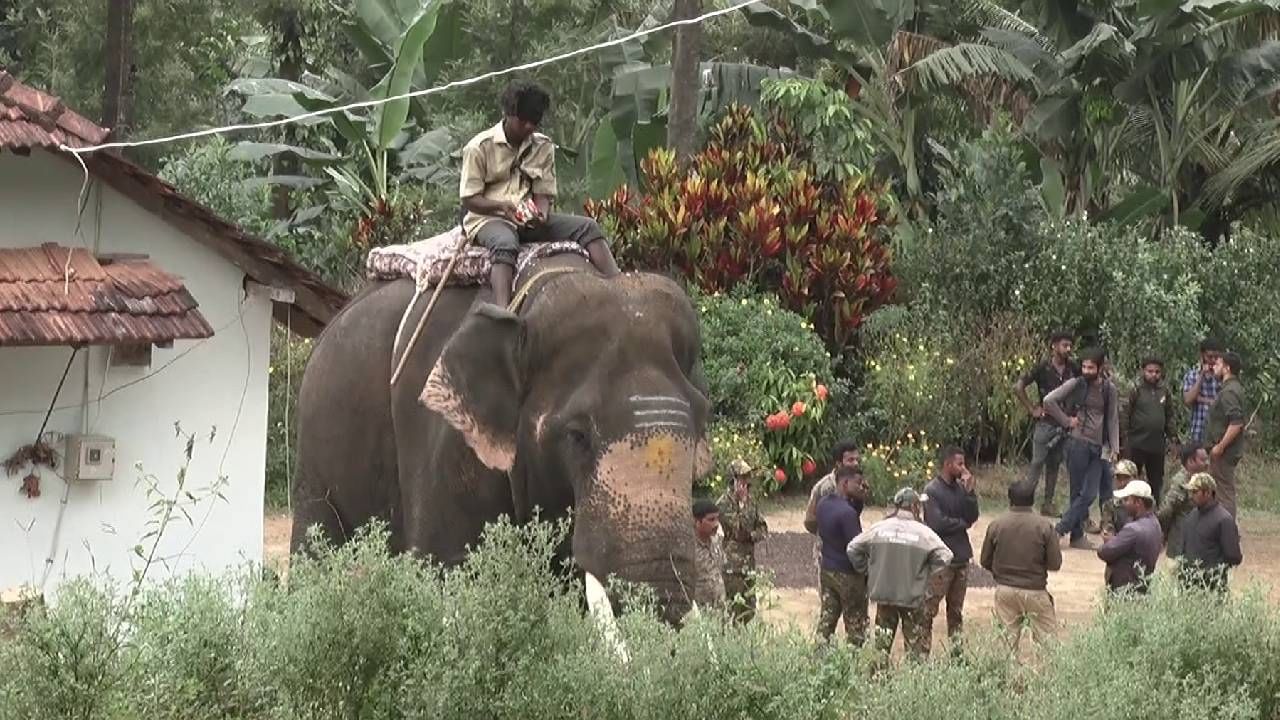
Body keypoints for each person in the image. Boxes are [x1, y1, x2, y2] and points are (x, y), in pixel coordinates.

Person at [459, 80, 621, 307]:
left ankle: (621, 288)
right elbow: (470, 198)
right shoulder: (479, 147)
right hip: (489, 218)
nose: (528, 127)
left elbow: (543, 193)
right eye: (523, 121)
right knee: (506, 243)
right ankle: (502, 310)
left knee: (588, 227)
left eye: (533, 122)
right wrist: (502, 208)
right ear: (509, 114)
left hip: (528, 218)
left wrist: (541, 214)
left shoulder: (543, 146)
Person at [848, 487, 953, 660]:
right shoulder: (924, 533)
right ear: (913, 507)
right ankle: (913, 683)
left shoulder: (879, 528)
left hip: (884, 595)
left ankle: (877, 680)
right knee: (916, 651)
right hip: (913, 597)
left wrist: (867, 571)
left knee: (881, 647)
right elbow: (946, 556)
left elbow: (852, 548)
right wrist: (925, 572)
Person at [1043, 348, 1121, 550]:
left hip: (1098, 447)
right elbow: (1048, 401)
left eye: (1091, 367)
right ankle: (1075, 536)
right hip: (1077, 443)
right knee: (1076, 492)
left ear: (1100, 367)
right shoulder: (1076, 384)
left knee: (1089, 494)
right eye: (1084, 366)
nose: (1087, 371)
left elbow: (1112, 419)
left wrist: (1115, 447)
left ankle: (1059, 530)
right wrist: (1066, 420)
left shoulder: (1109, 389)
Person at [980, 481, 1063, 650]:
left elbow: (984, 561)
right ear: (1033, 501)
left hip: (1005, 591)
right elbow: (1055, 564)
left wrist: (1001, 573)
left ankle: (1003, 676)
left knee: (1004, 646)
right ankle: (1047, 676)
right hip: (1035, 591)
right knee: (1049, 646)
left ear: (1009, 500)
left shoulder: (996, 525)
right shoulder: (1044, 526)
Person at [1014, 330, 1079, 516]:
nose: (1068, 349)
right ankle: (1023, 503)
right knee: (1036, 464)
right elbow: (1018, 386)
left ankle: (1048, 505)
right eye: (1064, 345)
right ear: (1054, 346)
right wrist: (1031, 408)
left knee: (1054, 465)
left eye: (1069, 346)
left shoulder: (1073, 368)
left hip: (1064, 424)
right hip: (1045, 423)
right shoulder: (1042, 367)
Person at [923, 446, 979, 646]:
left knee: (956, 611)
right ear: (947, 464)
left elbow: (973, 516)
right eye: (960, 464)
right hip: (942, 560)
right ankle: (921, 654)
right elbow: (937, 523)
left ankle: (957, 653)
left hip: (961, 558)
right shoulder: (932, 490)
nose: (964, 469)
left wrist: (971, 493)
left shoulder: (961, 489)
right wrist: (962, 524)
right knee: (928, 609)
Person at [815, 466, 870, 644]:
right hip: (848, 574)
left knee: (827, 619)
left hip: (828, 569)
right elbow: (857, 547)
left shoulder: (823, 504)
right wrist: (866, 572)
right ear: (845, 483)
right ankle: (853, 665)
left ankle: (818, 657)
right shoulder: (847, 514)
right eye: (858, 484)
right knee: (855, 625)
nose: (861, 487)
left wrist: (860, 499)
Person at [716, 460, 768, 624]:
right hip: (732, 566)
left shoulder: (751, 501)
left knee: (749, 609)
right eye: (742, 477)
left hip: (749, 564)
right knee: (732, 610)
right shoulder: (723, 504)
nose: (746, 481)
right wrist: (742, 504)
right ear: (733, 479)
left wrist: (753, 535)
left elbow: (763, 529)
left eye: (747, 477)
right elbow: (739, 530)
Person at [1123, 357, 1178, 500]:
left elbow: (1169, 415)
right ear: (1143, 371)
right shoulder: (1135, 388)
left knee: (1156, 483)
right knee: (1131, 481)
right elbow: (1125, 414)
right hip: (1136, 443)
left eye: (1157, 372)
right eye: (1150, 371)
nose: (1154, 375)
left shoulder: (1164, 390)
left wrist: (1173, 438)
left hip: (1156, 445)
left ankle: (1153, 514)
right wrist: (1124, 440)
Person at [1178, 472, 1243, 593]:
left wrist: (1213, 570)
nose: (1191, 496)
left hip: (1211, 588)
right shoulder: (1191, 516)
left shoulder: (1224, 520)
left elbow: (1234, 556)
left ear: (1207, 493)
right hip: (1188, 585)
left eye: (1195, 492)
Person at [1095, 480, 1162, 595]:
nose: (1124, 504)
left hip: (1125, 592)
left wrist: (1110, 542)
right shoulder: (1155, 524)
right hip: (1142, 590)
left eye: (1127, 500)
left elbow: (1104, 552)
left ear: (1138, 502)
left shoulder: (1132, 529)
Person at [805, 441, 862, 568]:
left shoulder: (856, 483)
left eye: (857, 459)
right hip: (828, 555)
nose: (856, 463)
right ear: (838, 464)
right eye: (850, 460)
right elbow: (810, 521)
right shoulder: (827, 487)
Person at [1206, 351, 1247, 517]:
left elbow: (1236, 423)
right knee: (1219, 492)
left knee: (1224, 495)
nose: (1213, 366)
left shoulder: (1229, 392)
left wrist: (1220, 447)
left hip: (1223, 453)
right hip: (1224, 452)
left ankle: (1228, 532)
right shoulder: (1233, 388)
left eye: (1218, 364)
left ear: (1227, 368)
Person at [1158, 444, 1210, 559]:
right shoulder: (1181, 482)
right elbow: (1166, 510)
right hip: (1181, 539)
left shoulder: (1201, 480)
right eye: (1203, 460)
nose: (1207, 463)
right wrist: (1163, 532)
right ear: (1190, 461)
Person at [1182, 339, 1224, 445]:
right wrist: (1201, 375)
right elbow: (1188, 400)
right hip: (1198, 431)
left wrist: (1201, 399)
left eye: (1216, 357)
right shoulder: (1192, 375)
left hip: (1218, 434)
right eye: (1209, 357)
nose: (1213, 360)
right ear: (1202, 355)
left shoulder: (1223, 377)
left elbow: (1223, 402)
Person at [691, 498, 725, 609]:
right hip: (700, 612)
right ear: (697, 522)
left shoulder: (717, 542)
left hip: (719, 608)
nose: (716, 524)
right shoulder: (688, 547)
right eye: (711, 519)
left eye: (717, 519)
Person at [1098, 459, 1139, 536]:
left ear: (1135, 478)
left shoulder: (1143, 501)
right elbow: (1107, 532)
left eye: (1126, 478)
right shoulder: (1110, 505)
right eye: (1119, 478)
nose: (1123, 482)